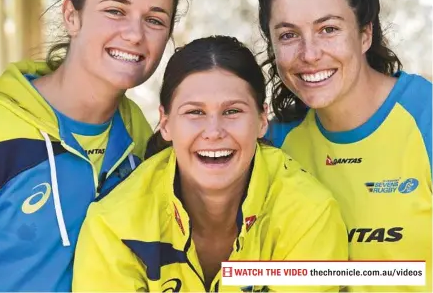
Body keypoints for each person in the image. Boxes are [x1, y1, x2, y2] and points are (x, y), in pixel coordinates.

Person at [72, 35, 348, 293]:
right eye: (195, 112)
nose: (214, 131)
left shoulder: (308, 212)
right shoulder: (114, 222)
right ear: (166, 123)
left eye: (232, 111)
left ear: (262, 119)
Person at [0, 0, 180, 292]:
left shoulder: (137, 132)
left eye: (154, 20)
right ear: (71, 15)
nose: (135, 34)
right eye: (115, 11)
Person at [257, 0, 432, 292]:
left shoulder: (425, 117)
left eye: (329, 29)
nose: (309, 54)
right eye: (288, 35)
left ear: (365, 34)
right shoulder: (274, 143)